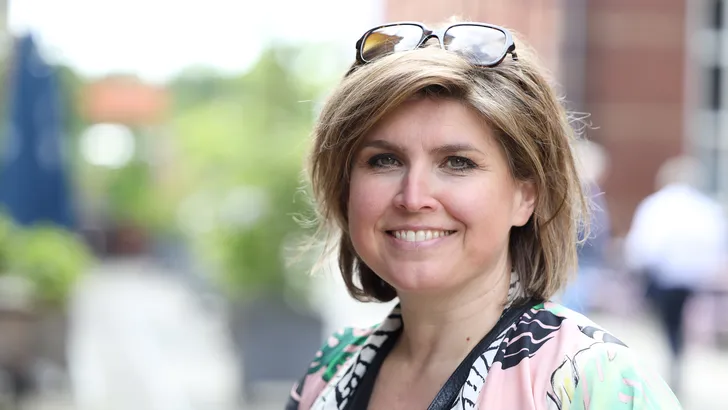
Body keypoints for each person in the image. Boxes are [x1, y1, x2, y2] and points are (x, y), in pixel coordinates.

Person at [288, 21, 680, 409]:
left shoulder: (595, 384)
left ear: (526, 195)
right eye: (384, 160)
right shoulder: (331, 369)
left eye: (457, 162)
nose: (413, 198)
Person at [624, 155, 728, 395]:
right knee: (679, 323)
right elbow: (716, 244)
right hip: (693, 278)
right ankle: (676, 356)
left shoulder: (658, 206)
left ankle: (672, 358)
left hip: (665, 277)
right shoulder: (705, 208)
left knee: (667, 324)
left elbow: (644, 244)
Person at [560, 140, 612, 314]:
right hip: (578, 264)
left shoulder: (591, 191)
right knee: (572, 313)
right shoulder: (580, 193)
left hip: (586, 264)